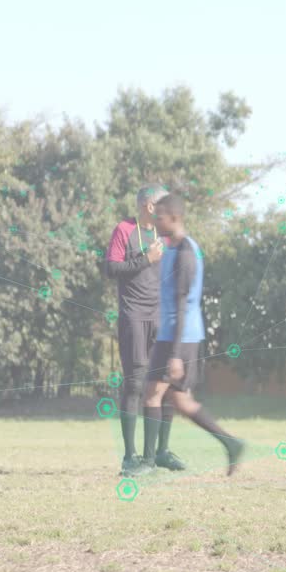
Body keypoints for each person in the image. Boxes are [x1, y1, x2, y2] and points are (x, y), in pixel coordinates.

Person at [140, 193, 245, 474]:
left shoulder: (186, 253)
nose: (155, 222)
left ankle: (147, 462)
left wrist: (175, 355)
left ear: (175, 218)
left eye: (160, 217)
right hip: (178, 335)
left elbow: (181, 304)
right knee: (180, 400)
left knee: (151, 395)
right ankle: (231, 443)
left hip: (178, 336)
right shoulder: (173, 248)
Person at [104, 184, 186, 477]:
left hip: (161, 318)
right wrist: (145, 259)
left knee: (166, 384)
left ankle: (160, 452)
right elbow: (111, 269)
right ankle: (130, 456)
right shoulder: (124, 230)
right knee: (136, 385)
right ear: (150, 206)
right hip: (134, 316)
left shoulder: (167, 235)